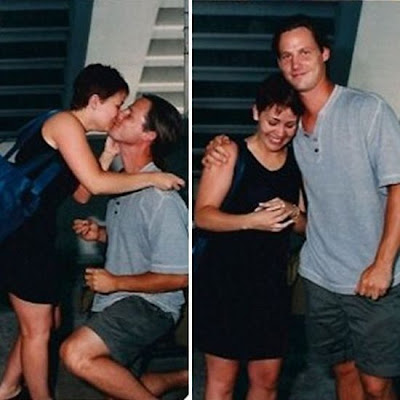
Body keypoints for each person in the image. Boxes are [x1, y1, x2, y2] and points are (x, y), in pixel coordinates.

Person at [204, 15, 400, 400]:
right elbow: (267, 155)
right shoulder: (291, 132)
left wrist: (382, 264)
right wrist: (219, 147)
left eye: (305, 52)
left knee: (377, 385)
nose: (296, 63)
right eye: (286, 56)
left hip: (373, 276)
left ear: (325, 53)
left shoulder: (368, 110)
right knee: (343, 371)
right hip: (320, 277)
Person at [0, 65, 184, 400]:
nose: (119, 113)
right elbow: (97, 184)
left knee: (48, 322)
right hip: (24, 241)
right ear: (96, 101)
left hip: (32, 238)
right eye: (118, 105)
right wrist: (153, 177)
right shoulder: (65, 124)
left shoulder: (66, 129)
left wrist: (108, 153)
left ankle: (7, 387)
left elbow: (82, 193)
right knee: (38, 330)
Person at [59, 94, 188, 400]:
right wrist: (102, 234)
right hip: (115, 300)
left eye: (130, 114)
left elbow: (181, 276)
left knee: (76, 354)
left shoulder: (160, 198)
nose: (120, 114)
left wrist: (115, 282)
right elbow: (138, 238)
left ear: (149, 135)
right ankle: (181, 378)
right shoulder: (122, 182)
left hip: (150, 306)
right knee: (121, 389)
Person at [193, 73, 306, 400]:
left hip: (270, 286)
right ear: (256, 112)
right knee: (222, 382)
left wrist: (292, 212)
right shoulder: (229, 152)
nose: (280, 132)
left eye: (290, 125)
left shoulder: (299, 161)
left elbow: (307, 227)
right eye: (273, 122)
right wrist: (251, 221)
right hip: (224, 283)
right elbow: (203, 215)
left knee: (267, 382)